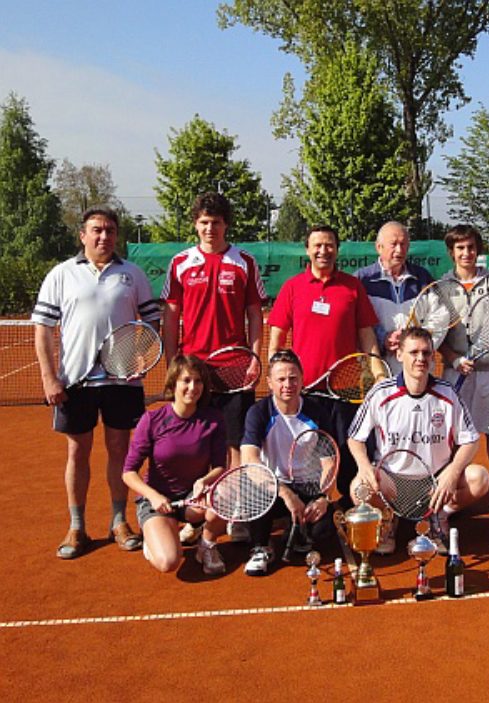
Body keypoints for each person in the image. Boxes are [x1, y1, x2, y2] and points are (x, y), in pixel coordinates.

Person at [33, 207, 161, 560]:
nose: (103, 236)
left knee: (120, 450)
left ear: (116, 235)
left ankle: (119, 521)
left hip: (122, 381)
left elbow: (151, 321)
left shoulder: (132, 274)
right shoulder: (61, 274)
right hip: (75, 383)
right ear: (83, 235)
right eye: (96, 230)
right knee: (78, 452)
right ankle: (77, 526)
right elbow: (43, 328)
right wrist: (49, 377)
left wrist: (141, 354)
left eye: (110, 230)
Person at [161, 192, 266, 543]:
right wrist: (172, 362)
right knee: (197, 445)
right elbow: (172, 314)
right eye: (204, 222)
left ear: (226, 225)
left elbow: (254, 313)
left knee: (236, 444)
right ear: (196, 224)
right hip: (194, 369)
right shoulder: (180, 263)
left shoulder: (244, 262)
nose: (210, 228)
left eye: (216, 222)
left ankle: (233, 513)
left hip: (235, 367)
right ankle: (198, 511)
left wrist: (254, 357)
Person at [348, 326, 489, 555]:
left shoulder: (447, 394)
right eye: (413, 352)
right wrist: (365, 467)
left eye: (426, 353)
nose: (420, 359)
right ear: (399, 355)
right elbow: (355, 438)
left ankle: (439, 516)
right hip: (391, 481)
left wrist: (452, 473)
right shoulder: (381, 394)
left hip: (433, 482)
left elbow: (470, 440)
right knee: (358, 488)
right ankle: (387, 518)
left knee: (480, 478)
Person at [268, 224, 384, 500]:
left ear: (337, 249)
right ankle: (305, 511)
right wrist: (277, 376)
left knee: (347, 453)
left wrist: (377, 372)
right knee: (307, 457)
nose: (323, 250)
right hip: (304, 392)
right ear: (308, 250)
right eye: (317, 245)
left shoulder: (352, 287)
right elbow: (276, 339)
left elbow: (367, 337)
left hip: (345, 392)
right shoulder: (292, 287)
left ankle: (349, 511)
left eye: (329, 245)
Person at [122, 356, 228, 575]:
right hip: (157, 500)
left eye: (198, 381)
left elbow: (220, 466)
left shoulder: (214, 420)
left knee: (225, 497)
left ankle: (206, 545)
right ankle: (156, 539)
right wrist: (153, 496)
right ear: (173, 384)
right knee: (169, 562)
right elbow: (128, 472)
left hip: (191, 498)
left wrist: (204, 481)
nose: (193, 387)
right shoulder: (152, 420)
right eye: (186, 380)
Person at [239, 349, 337, 576]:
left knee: (323, 533)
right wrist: (284, 493)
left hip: (309, 486)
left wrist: (323, 497)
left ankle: (297, 533)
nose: (287, 384)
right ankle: (261, 547)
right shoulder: (258, 412)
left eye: (293, 378)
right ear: (269, 383)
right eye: (281, 379)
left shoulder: (317, 412)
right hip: (273, 485)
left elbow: (329, 464)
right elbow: (250, 460)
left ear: (302, 380)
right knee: (254, 494)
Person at [437, 225, 489, 513]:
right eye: (460, 248)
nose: (466, 253)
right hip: (455, 371)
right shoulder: (442, 287)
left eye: (470, 247)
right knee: (454, 433)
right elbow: (436, 335)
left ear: (477, 249)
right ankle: (455, 482)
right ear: (452, 252)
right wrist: (455, 359)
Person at [354, 221, 433, 374]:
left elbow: (438, 316)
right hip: (376, 369)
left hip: (417, 369)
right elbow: (356, 323)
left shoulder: (423, 277)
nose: (399, 250)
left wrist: (415, 343)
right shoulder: (361, 279)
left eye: (403, 244)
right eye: (394, 244)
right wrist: (383, 338)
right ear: (379, 247)